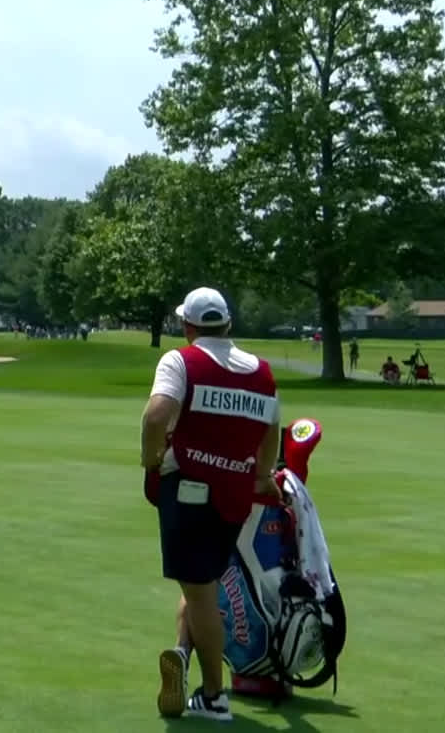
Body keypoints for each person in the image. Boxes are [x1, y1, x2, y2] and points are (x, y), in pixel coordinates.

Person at [142, 287, 282, 722]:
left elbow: (155, 416)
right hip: (234, 498)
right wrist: (261, 476)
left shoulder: (181, 361)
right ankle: (182, 653)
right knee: (202, 583)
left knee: (200, 589)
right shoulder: (261, 371)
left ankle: (215, 696)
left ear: (187, 327)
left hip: (187, 493)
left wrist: (151, 459)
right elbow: (271, 429)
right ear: (228, 324)